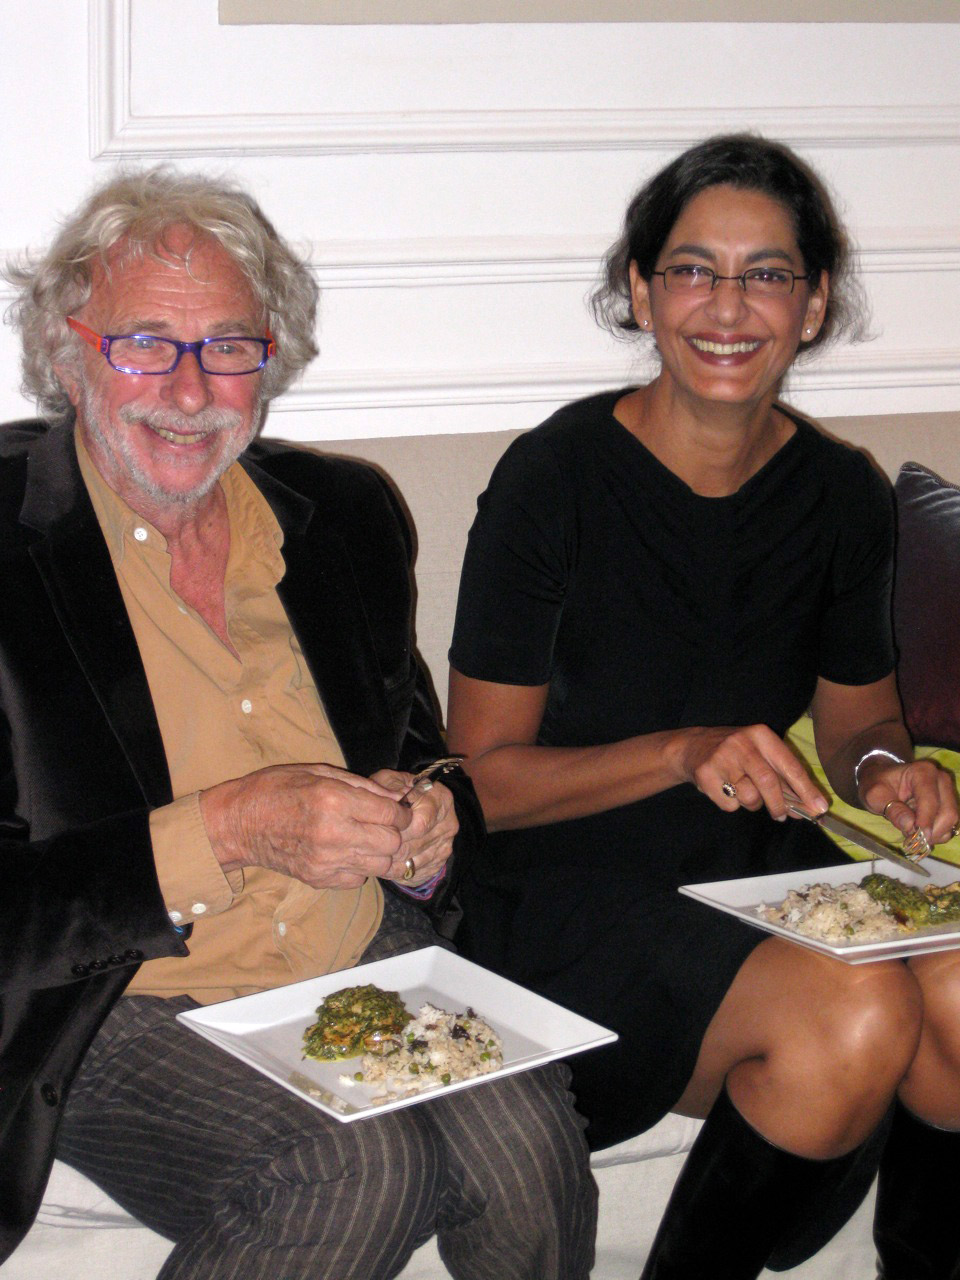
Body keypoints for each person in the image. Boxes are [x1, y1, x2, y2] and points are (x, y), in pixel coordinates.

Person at [0, 168, 597, 1280]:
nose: (190, 390)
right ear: (67, 352)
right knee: (353, 1164)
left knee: (527, 1145)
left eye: (229, 346)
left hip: (353, 947)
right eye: (145, 344)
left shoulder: (345, 517)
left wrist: (425, 821)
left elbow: (421, 752)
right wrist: (229, 829)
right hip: (119, 994)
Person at [446, 134, 960, 1279]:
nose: (728, 306)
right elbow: (479, 782)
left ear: (813, 304)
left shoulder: (840, 493)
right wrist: (682, 751)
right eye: (692, 269)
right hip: (567, 889)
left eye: (767, 274)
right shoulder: (553, 479)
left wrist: (889, 772)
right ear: (641, 292)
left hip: (758, 868)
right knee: (854, 1009)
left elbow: (860, 725)